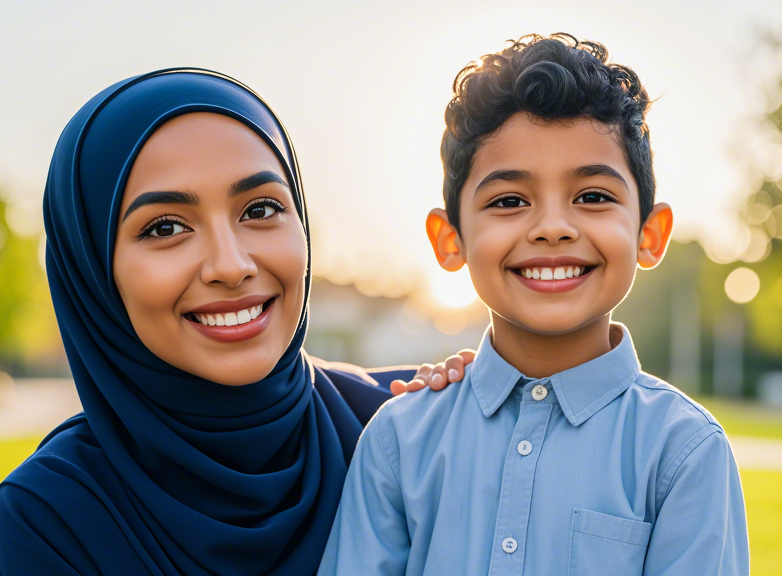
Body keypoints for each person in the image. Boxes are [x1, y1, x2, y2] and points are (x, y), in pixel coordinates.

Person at [0, 68, 472, 576]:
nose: (231, 265)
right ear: (92, 269)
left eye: (260, 209)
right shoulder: (54, 511)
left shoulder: (401, 430)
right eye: (166, 227)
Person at [319, 34, 750, 575]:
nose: (552, 228)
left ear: (649, 233)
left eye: (593, 196)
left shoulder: (685, 451)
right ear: (450, 240)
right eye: (509, 201)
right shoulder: (400, 440)